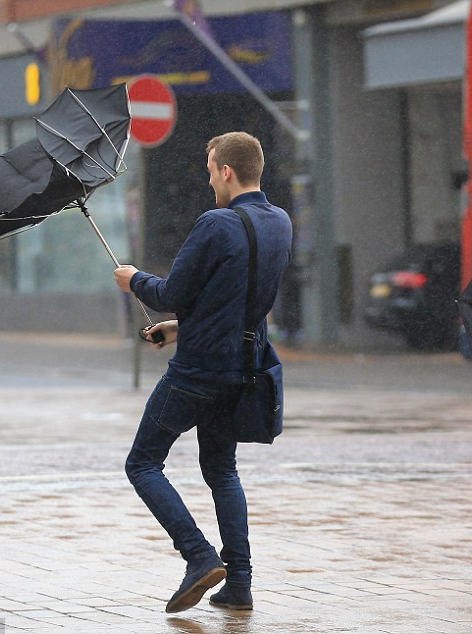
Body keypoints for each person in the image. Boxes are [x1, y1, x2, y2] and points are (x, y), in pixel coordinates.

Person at [114, 132, 292, 613]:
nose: (209, 177)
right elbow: (239, 296)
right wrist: (180, 328)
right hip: (245, 368)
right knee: (221, 469)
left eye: (211, 169)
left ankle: (198, 557)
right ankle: (239, 584)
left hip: (198, 372)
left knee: (143, 463)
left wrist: (135, 281)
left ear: (227, 171)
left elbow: (171, 291)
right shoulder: (279, 222)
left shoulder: (216, 223)